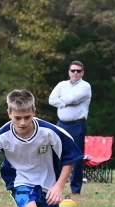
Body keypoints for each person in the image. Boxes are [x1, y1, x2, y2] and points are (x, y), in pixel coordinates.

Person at [49, 61, 91, 195]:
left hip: (77, 124)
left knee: (76, 157)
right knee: (54, 154)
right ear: (69, 72)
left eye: (78, 71)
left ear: (82, 73)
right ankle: (53, 185)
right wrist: (66, 101)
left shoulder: (85, 86)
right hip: (61, 124)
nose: (75, 73)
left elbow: (75, 98)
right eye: (73, 70)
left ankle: (75, 189)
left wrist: (61, 100)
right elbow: (51, 100)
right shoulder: (61, 85)